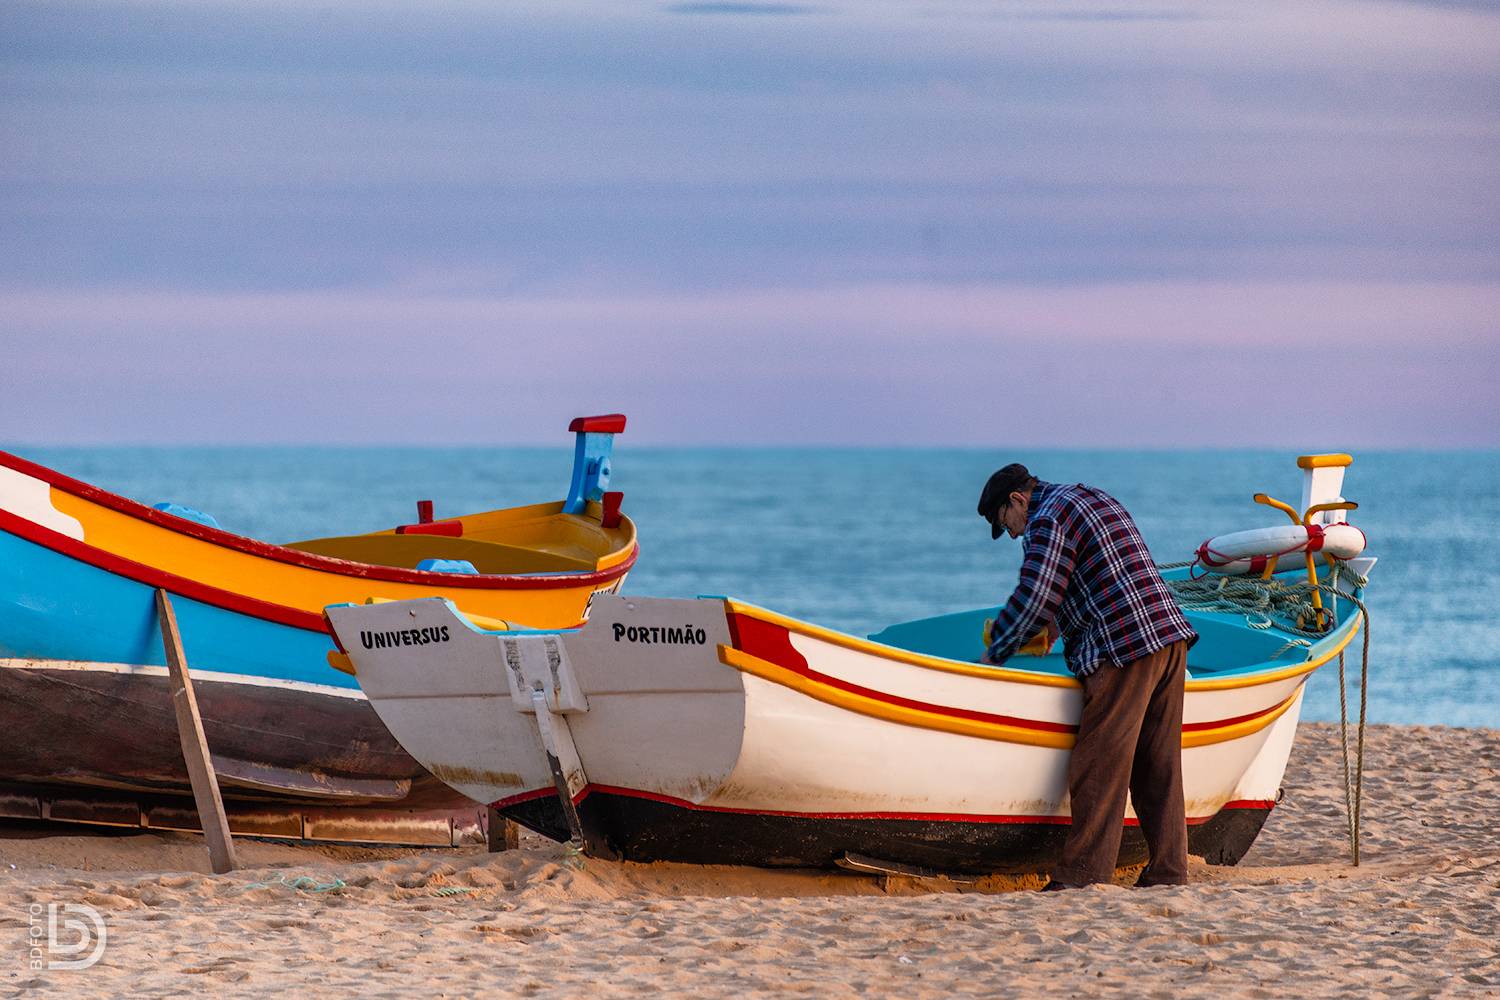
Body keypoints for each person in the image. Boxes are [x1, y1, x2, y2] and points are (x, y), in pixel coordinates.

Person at [976, 463, 1198, 890]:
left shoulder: (1046, 519)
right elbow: (1098, 578)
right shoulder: (1089, 497)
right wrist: (1053, 628)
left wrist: (996, 650)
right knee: (1158, 766)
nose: (1015, 535)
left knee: (1098, 765)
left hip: (1124, 647)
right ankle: (1169, 872)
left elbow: (1036, 595)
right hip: (1169, 638)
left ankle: (1084, 876)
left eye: (1007, 525)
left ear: (1017, 500)